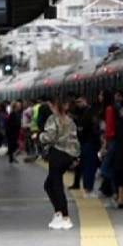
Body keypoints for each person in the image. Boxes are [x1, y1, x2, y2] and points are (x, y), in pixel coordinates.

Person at [35, 96, 80, 230]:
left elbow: (50, 137)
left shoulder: (53, 119)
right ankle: (58, 213)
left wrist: (39, 136)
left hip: (57, 154)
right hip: (68, 156)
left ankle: (64, 216)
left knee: (56, 185)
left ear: (53, 105)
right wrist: (76, 157)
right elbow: (75, 141)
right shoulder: (70, 121)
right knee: (50, 184)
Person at [74, 95, 102, 198]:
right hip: (89, 143)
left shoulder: (86, 113)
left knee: (87, 166)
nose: (78, 104)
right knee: (89, 166)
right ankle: (88, 189)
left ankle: (88, 188)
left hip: (86, 142)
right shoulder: (88, 113)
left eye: (80, 101)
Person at [98, 89, 117, 198]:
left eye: (101, 95)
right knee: (109, 167)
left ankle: (116, 189)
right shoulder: (112, 108)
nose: (99, 97)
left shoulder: (109, 109)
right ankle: (114, 191)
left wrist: (104, 145)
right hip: (111, 140)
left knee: (105, 168)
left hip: (110, 141)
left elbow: (109, 129)